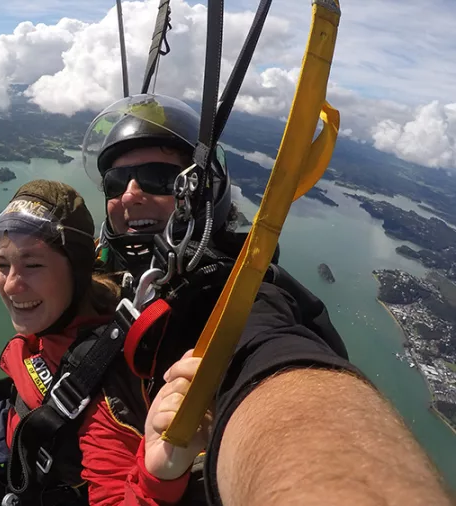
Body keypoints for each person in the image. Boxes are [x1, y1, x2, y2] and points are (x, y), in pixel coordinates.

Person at [82, 93, 455, 505]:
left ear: (203, 191)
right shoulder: (130, 282)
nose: (130, 195)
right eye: (116, 183)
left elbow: (272, 355)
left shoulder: (236, 298)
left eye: (157, 178)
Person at [0, 180, 213, 506]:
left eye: (32, 265)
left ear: (77, 270)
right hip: (4, 473)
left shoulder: (101, 392)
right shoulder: (52, 318)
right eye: (2, 264)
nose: (11, 285)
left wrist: (158, 477)